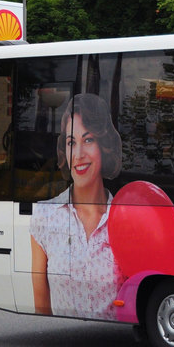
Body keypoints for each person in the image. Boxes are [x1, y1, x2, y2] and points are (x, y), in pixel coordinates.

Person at [30, 93, 124, 319]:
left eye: (89, 139)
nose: (79, 155)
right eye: (72, 142)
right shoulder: (45, 215)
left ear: (104, 145)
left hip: (115, 346)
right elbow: (42, 310)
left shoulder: (125, 218)